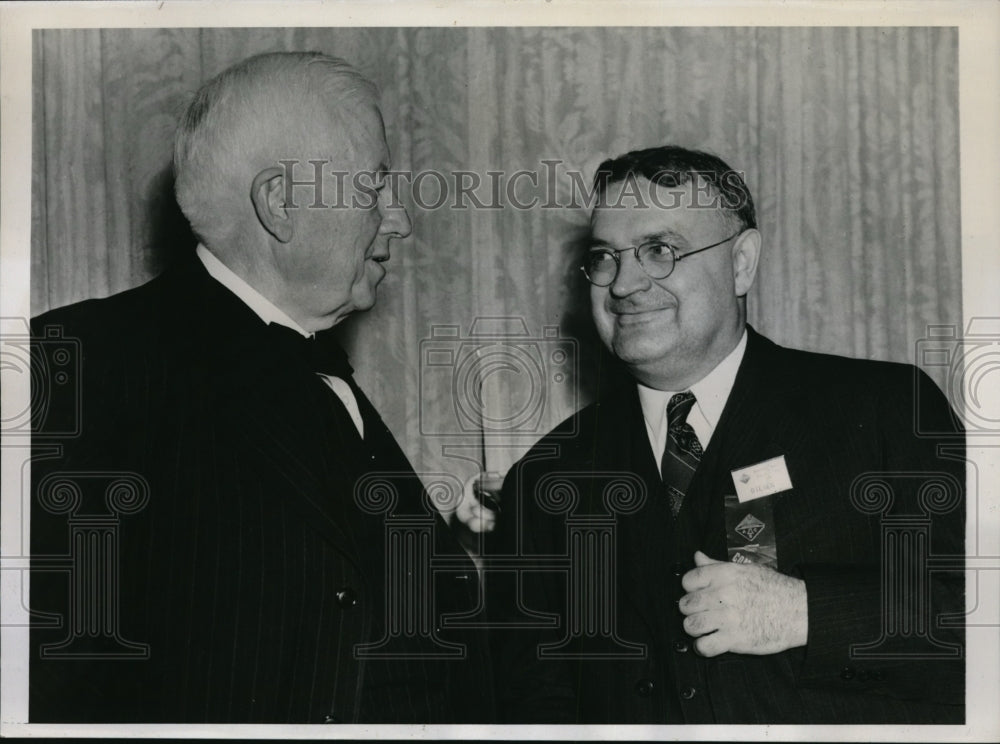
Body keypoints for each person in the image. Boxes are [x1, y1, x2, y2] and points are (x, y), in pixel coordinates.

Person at [30, 52, 492, 724]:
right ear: (281, 201)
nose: (399, 220)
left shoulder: (327, 379)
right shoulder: (83, 362)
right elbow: (49, 676)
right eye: (374, 189)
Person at [486, 145, 965, 723]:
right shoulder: (544, 478)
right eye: (605, 258)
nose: (623, 284)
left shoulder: (890, 409)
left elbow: (980, 623)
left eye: (659, 250)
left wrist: (809, 614)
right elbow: (532, 708)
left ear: (742, 262)